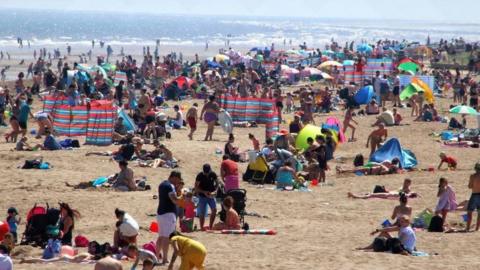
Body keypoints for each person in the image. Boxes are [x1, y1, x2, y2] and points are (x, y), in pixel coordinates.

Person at [156, 171, 182, 263]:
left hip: (160, 213)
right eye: (177, 180)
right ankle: (165, 258)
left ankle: (156, 257)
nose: (177, 182)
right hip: (168, 214)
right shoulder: (170, 186)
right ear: (174, 177)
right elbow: (174, 200)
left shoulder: (162, 184)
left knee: (161, 236)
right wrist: (183, 198)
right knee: (167, 237)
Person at [195, 164, 218, 230]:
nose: (207, 174)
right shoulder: (200, 176)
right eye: (205, 173)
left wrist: (215, 191)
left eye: (208, 173)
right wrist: (204, 192)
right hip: (202, 196)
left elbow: (217, 183)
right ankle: (202, 227)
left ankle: (210, 226)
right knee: (202, 212)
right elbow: (196, 187)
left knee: (214, 210)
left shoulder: (213, 174)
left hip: (211, 195)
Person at [466, 163, 480, 231]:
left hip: (475, 194)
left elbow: (470, 186)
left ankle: (467, 228)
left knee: (469, 212)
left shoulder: (473, 176)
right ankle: (477, 228)